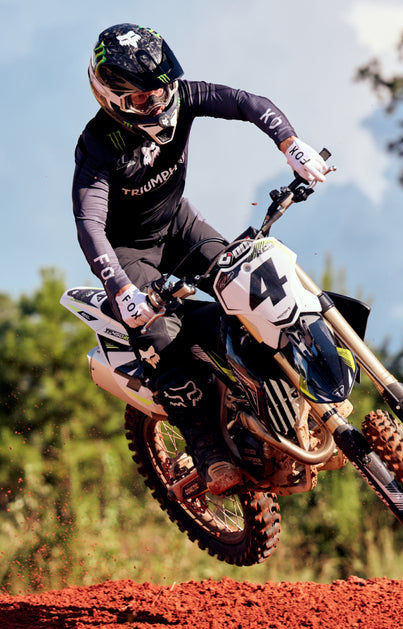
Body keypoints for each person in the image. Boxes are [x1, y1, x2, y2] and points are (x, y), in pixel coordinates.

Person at [72, 23, 328, 495]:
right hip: (130, 253)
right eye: (144, 98)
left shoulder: (185, 96)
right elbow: (90, 224)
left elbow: (247, 102)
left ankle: (292, 394)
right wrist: (121, 290)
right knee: (163, 336)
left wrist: (291, 144)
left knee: (249, 286)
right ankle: (209, 451)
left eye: (162, 88)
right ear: (115, 100)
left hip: (180, 227)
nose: (159, 103)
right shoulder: (98, 144)